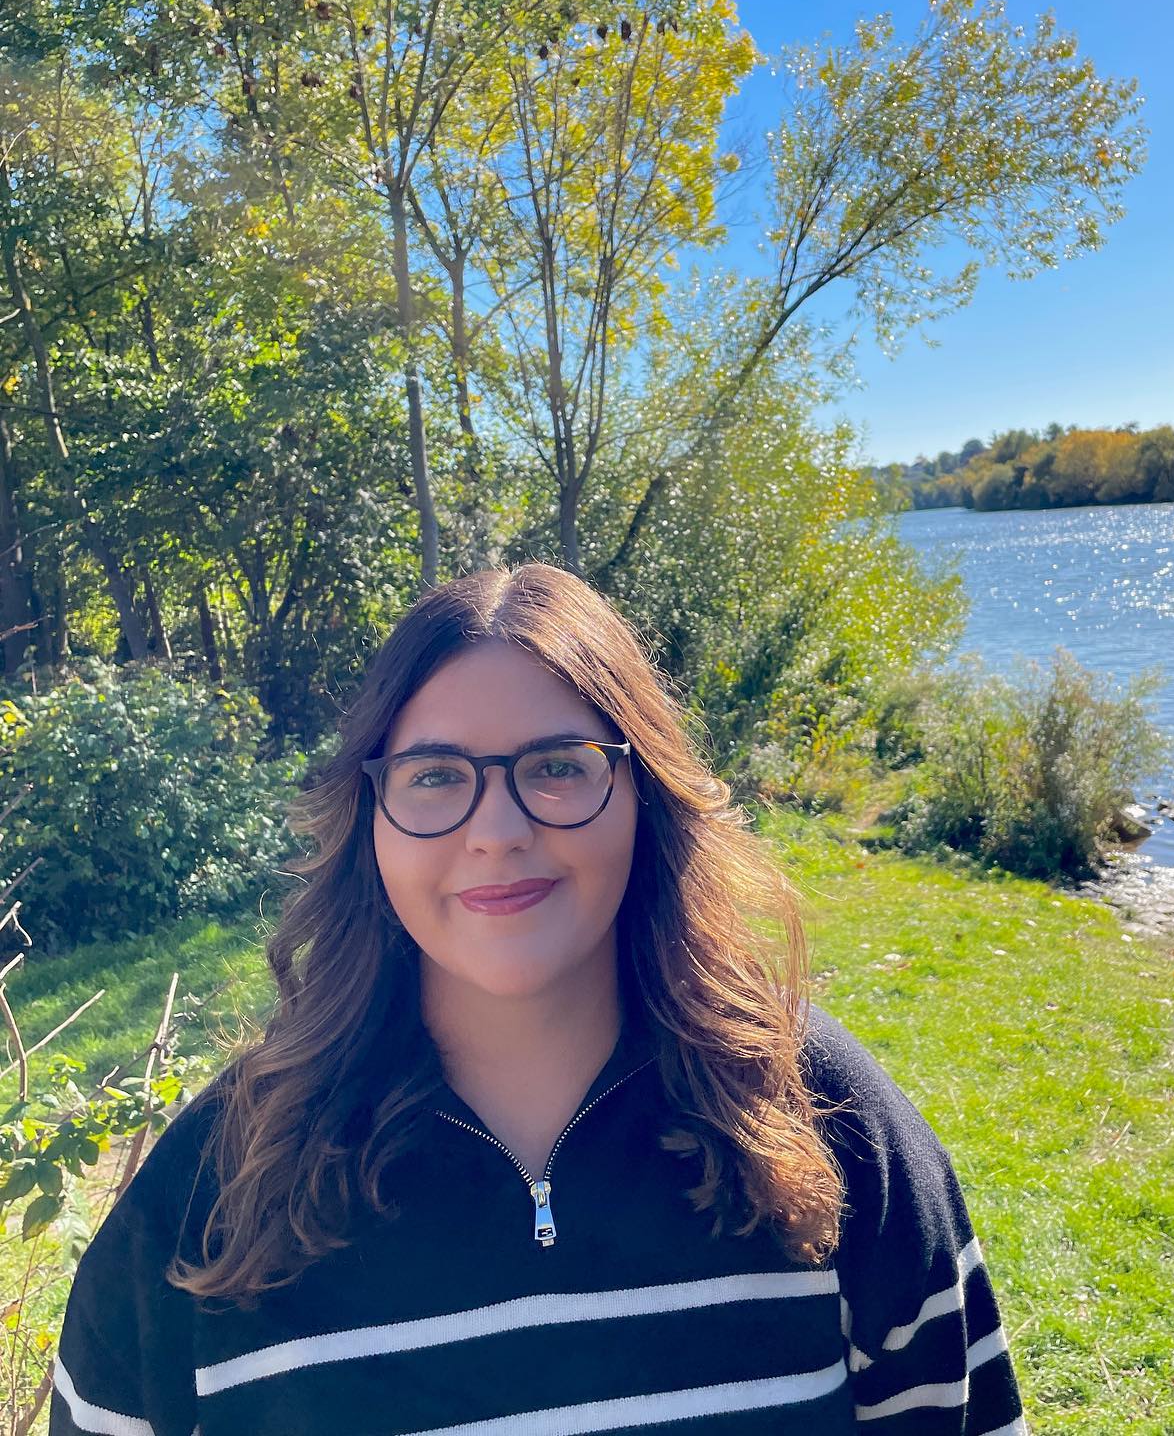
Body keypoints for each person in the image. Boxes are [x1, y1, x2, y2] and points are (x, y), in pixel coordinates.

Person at [51, 564, 1027, 1436]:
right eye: (436, 776)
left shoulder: (827, 1119)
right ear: (369, 820)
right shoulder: (213, 1189)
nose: (498, 830)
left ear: (645, 794)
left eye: (558, 766)